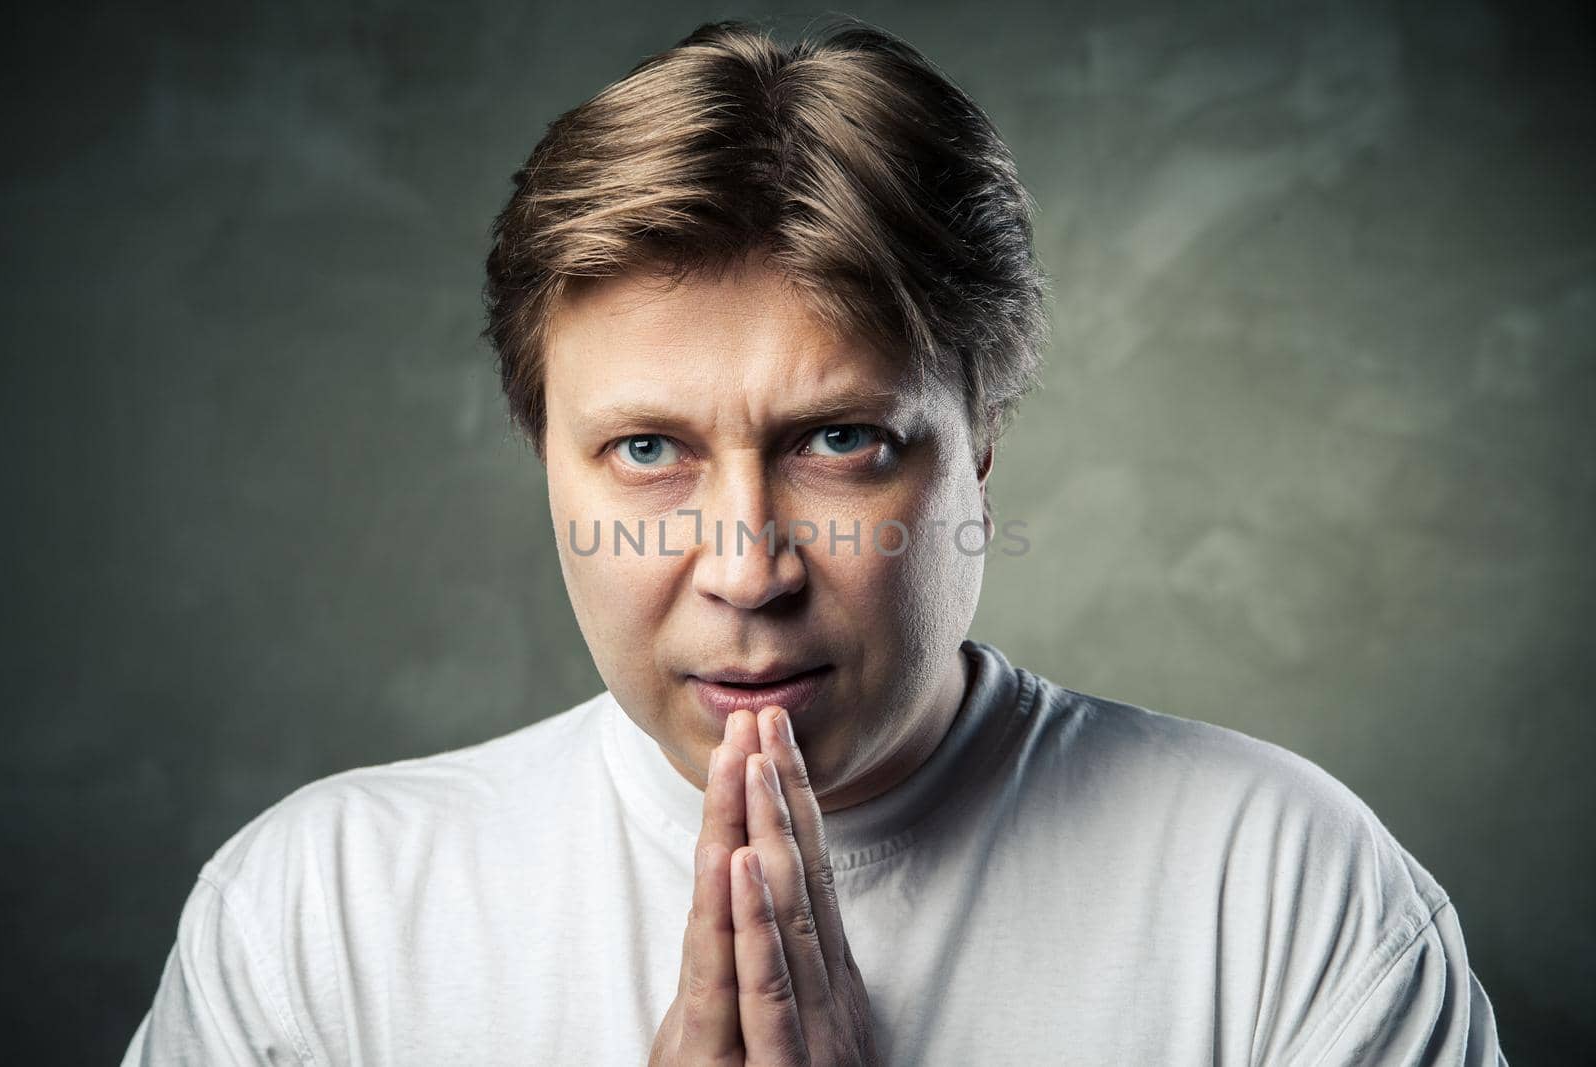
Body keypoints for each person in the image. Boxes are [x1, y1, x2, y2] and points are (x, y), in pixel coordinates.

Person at [123, 18, 1508, 1066]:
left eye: (841, 441)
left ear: (984, 441)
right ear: (543, 456)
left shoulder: (1287, 896)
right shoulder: (321, 914)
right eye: (647, 451)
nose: (747, 568)